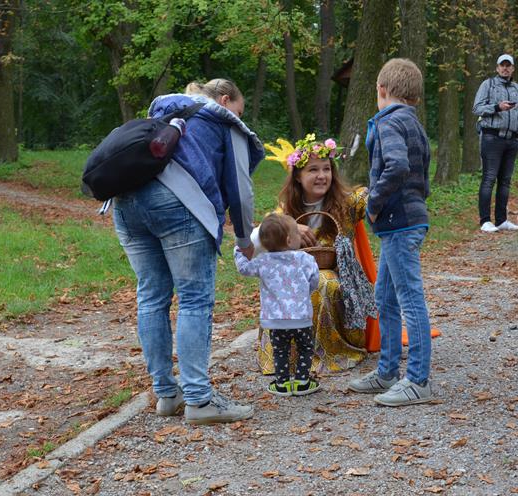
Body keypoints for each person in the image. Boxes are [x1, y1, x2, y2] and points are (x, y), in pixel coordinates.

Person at [112, 78, 264, 425]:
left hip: (125, 202)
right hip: (179, 203)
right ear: (225, 100)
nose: (240, 116)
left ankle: (166, 394)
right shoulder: (223, 121)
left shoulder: (164, 109)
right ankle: (198, 399)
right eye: (239, 110)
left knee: (151, 296)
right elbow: (241, 189)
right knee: (195, 298)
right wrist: (244, 239)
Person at [348, 58, 433, 407]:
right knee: (385, 298)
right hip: (406, 221)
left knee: (410, 300)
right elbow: (422, 173)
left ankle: (418, 380)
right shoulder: (413, 123)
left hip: (400, 224)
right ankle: (386, 371)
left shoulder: (387, 123)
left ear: (382, 91)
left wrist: (374, 203)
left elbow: (398, 165)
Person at [257, 135, 372, 375]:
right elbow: (260, 237)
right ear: (298, 176)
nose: (322, 176)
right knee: (289, 287)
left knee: (323, 282)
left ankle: (327, 353)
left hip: (336, 276)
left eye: (326, 169)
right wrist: (289, 225)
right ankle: (285, 357)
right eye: (313, 170)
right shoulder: (286, 209)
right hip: (293, 277)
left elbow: (369, 197)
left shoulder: (345, 203)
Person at [235, 213, 321, 396]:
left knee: (280, 350)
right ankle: (302, 382)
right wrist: (306, 294)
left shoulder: (263, 262)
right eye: (298, 234)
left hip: (275, 320)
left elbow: (244, 268)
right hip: (301, 318)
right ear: (290, 240)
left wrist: (238, 250)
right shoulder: (305, 259)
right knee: (305, 347)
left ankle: (282, 384)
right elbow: (314, 280)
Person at [473, 53, 518, 233]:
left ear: (513, 68)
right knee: (489, 178)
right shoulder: (488, 85)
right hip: (491, 137)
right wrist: (497, 107)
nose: (505, 68)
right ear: (497, 68)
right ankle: (485, 220)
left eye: (508, 65)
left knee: (505, 181)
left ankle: (502, 220)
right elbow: (477, 108)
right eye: (502, 65)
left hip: (511, 139)